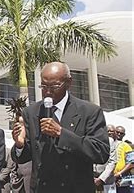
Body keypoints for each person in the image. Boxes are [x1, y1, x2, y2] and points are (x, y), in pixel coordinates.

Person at [11, 61, 110, 193]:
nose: (47, 92)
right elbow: (24, 157)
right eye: (43, 86)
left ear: (69, 83)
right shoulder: (31, 112)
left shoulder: (89, 111)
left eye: (54, 86)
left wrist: (61, 134)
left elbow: (101, 153)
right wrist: (20, 145)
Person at [93, 124, 118, 193]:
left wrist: (101, 179)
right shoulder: (86, 139)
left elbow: (112, 162)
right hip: (91, 180)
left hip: (107, 181)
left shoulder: (110, 141)